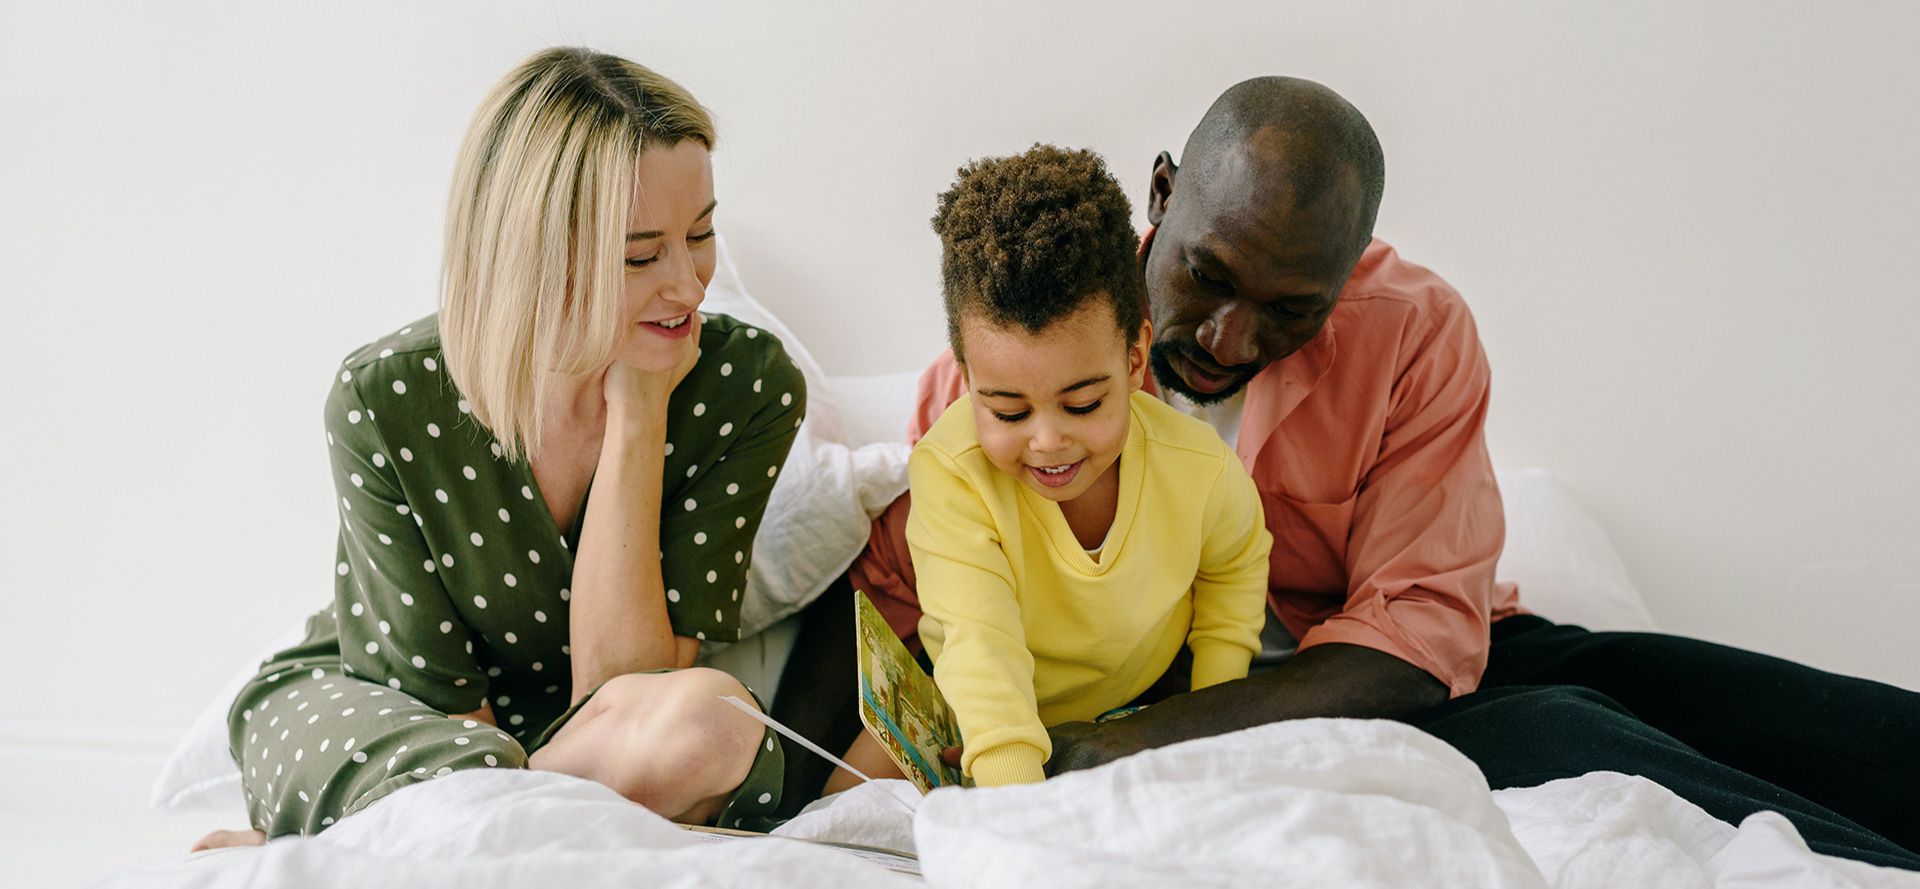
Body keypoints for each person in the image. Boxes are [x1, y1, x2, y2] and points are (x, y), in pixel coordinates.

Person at [775, 77, 1920, 870]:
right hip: (1159, 696)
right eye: (1209, 279)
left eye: (1290, 311)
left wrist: (1121, 748)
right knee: (1575, 732)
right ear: (1163, 194)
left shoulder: (1414, 331)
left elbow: (1422, 634)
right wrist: (774, 798)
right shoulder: (1027, 363)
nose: (1227, 339)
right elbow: (883, 587)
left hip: (1378, 671)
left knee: (1709, 695)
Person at [198, 47, 807, 849]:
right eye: (639, 254)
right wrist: (506, 783)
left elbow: (620, 692)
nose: (689, 285)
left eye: (700, 234)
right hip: (397, 720)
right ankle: (415, 828)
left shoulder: (745, 385)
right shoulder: (386, 399)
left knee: (717, 723)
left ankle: (350, 852)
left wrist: (639, 409)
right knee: (464, 768)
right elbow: (438, 701)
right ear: (536, 252)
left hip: (608, 732)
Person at [860, 145, 1269, 788]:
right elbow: (978, 644)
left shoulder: (1201, 470)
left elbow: (1235, 571)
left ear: (1135, 361)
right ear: (967, 381)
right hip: (975, 711)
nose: (1048, 441)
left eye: (1082, 404)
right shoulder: (952, 469)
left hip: (1138, 710)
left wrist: (1206, 712)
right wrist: (1013, 786)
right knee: (843, 805)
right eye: (1008, 412)